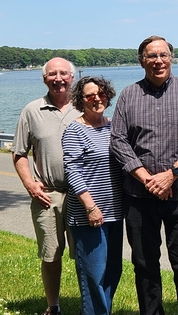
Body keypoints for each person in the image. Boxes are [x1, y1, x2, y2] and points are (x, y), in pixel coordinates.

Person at [110, 35, 178, 315]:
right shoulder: (129, 95)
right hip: (140, 195)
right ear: (141, 60)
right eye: (151, 56)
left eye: (163, 55)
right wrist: (147, 179)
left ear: (171, 58)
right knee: (144, 264)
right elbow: (118, 140)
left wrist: (172, 174)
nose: (158, 61)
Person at [10, 57, 81, 315]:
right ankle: (54, 306)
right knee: (51, 254)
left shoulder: (86, 106)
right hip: (47, 195)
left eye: (63, 73)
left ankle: (91, 305)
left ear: (72, 77)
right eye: (53, 74)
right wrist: (30, 184)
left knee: (84, 255)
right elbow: (19, 153)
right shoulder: (32, 110)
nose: (58, 78)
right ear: (44, 78)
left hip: (81, 195)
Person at [62, 76, 124, 315]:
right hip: (88, 215)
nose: (96, 98)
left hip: (115, 212)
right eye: (89, 95)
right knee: (93, 276)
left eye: (101, 93)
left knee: (112, 271)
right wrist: (90, 207)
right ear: (81, 100)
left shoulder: (113, 126)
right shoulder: (75, 131)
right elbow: (73, 171)